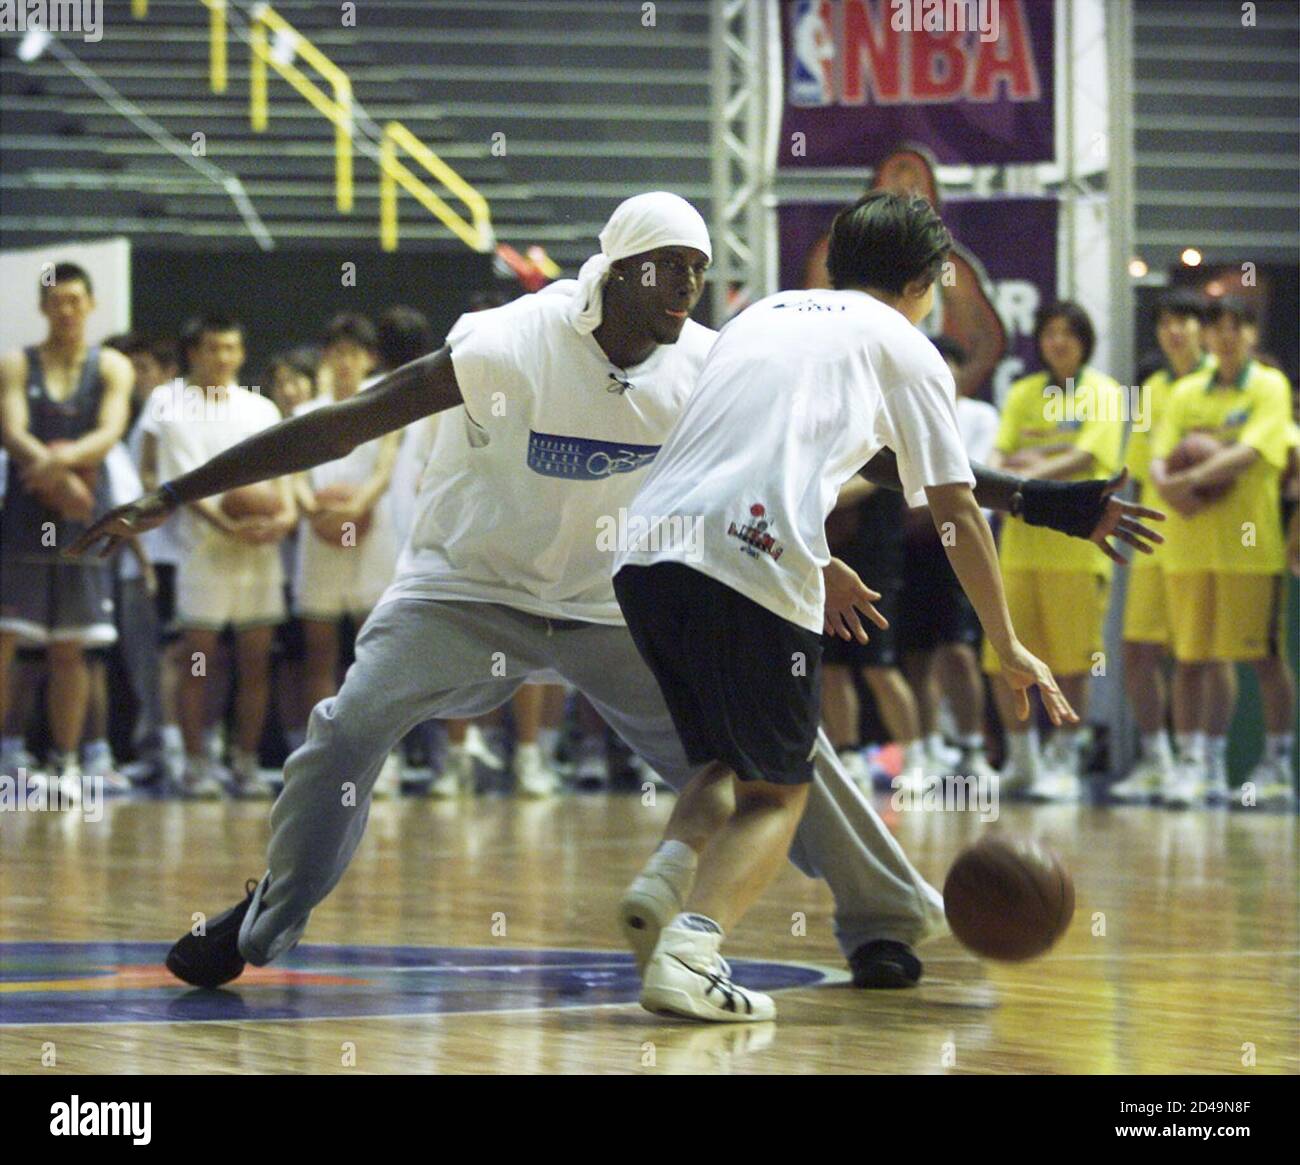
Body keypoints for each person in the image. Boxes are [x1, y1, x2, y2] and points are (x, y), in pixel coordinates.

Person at [72, 191, 1163, 998]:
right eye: (671, 268)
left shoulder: (705, 355)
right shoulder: (513, 340)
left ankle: (882, 920)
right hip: (467, 589)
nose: (689, 288)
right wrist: (176, 486)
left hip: (612, 599)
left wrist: (1041, 506)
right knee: (344, 729)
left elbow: (858, 452)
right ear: (619, 270)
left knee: (767, 754)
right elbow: (351, 418)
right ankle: (265, 919)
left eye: (699, 270)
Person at [611, 191, 1077, 1021]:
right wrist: (1008, 643)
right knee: (778, 793)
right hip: (744, 562)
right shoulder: (906, 345)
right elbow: (958, 509)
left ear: (836, 261)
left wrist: (815, 557)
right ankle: (690, 953)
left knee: (725, 757)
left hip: (646, 553)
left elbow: (738, 448)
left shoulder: (760, 316)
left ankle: (666, 876)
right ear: (930, 278)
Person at [1150, 297, 1295, 808]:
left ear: (1253, 335)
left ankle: (1277, 763)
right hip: (1187, 547)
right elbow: (1159, 455)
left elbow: (1251, 451)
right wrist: (1168, 486)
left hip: (1249, 548)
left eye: (1238, 327)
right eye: (1219, 328)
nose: (1227, 336)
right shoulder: (1185, 391)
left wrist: (1186, 478)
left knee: (1263, 657)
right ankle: (1198, 763)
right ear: (1207, 338)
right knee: (1190, 660)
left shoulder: (1269, 386)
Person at [0, 261, 134, 798]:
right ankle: (7, 757)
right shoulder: (16, 363)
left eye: (77, 300)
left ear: (91, 305)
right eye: (58, 300)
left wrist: (63, 470)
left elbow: (110, 430)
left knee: (71, 648)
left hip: (83, 511)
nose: (68, 309)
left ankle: (68, 761)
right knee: (6, 638)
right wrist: (56, 474)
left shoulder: (111, 366)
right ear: (43, 306)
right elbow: (11, 430)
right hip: (28, 512)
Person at [984, 302, 1126, 801]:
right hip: (1019, 551)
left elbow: (1086, 457)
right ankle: (1022, 763)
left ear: (1085, 341)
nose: (1058, 341)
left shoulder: (1105, 394)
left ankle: (1065, 759)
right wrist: (1032, 468)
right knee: (1007, 659)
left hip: (1076, 553)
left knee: (1072, 664)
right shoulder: (1023, 393)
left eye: (1069, 333)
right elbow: (998, 457)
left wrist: (1024, 474)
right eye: (1049, 333)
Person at [156, 314, 296, 797]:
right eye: (214, 348)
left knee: (255, 662)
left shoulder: (261, 409)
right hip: (205, 553)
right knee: (199, 660)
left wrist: (283, 518)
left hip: (259, 555)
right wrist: (231, 525)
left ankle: (245, 762)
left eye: (232, 348)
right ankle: (196, 763)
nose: (224, 358)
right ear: (194, 352)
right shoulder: (173, 408)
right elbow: (183, 487)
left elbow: (284, 477)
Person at [1111, 290, 1212, 803]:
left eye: (1186, 321)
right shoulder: (1151, 388)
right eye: (1167, 322)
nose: (1175, 331)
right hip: (1155, 533)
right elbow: (1138, 462)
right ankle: (1157, 758)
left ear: (1203, 329)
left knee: (1201, 656)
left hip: (1207, 535)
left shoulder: (1217, 382)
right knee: (1137, 651)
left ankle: (1202, 761)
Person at [898, 336, 1001, 785]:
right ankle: (923, 751)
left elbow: (973, 481)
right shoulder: (904, 417)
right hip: (909, 544)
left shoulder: (980, 416)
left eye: (952, 362)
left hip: (958, 544)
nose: (943, 370)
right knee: (915, 654)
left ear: (962, 371)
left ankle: (971, 750)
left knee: (959, 651)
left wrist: (928, 508)